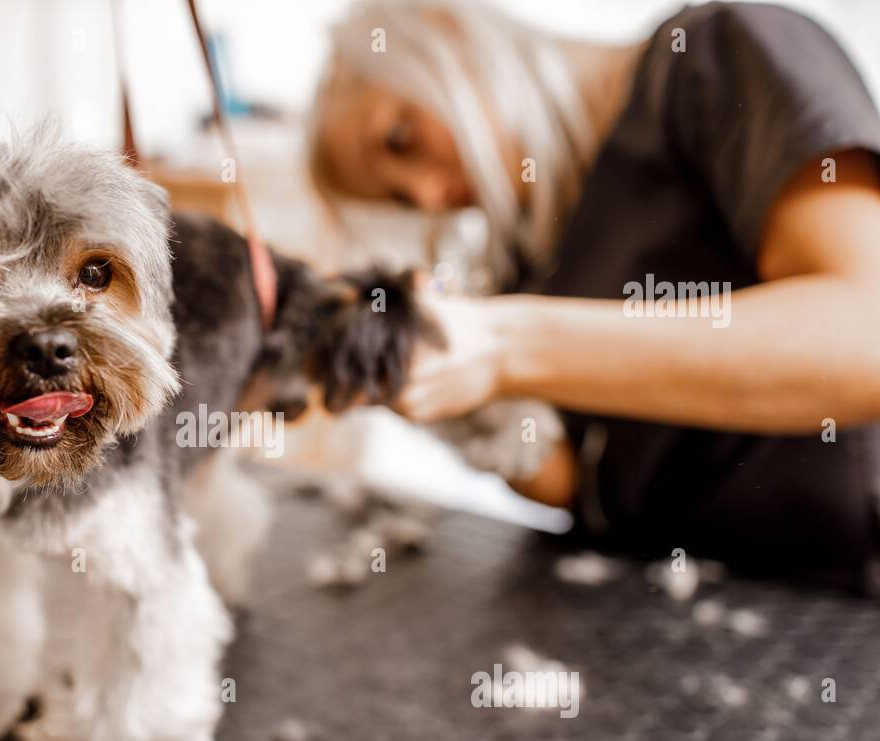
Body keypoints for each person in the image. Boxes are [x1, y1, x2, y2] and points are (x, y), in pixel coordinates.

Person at [310, 0, 880, 587]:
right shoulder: (528, 259)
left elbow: (868, 337)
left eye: (400, 139)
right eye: (401, 202)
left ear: (441, 27)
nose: (428, 195)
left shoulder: (718, 55)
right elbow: (582, 486)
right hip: (687, 613)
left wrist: (507, 346)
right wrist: (453, 399)